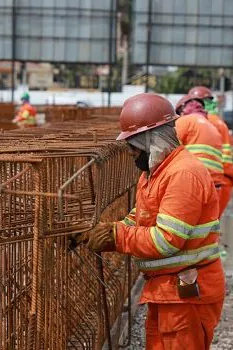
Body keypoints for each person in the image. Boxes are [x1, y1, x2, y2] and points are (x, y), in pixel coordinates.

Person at [79, 93, 225, 349]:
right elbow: (140, 217)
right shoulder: (156, 173)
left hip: (187, 294)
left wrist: (116, 236)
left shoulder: (182, 174)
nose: (132, 154)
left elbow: (166, 240)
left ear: (151, 141)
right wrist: (102, 232)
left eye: (134, 148)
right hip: (167, 291)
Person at [175, 95, 226, 214]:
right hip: (215, 185)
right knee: (204, 227)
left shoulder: (184, 121)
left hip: (195, 182)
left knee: (181, 225)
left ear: (183, 109)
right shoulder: (212, 127)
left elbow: (169, 150)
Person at [188, 86, 233, 213]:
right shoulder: (218, 122)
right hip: (222, 180)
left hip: (203, 179)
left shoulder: (193, 120)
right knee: (210, 224)